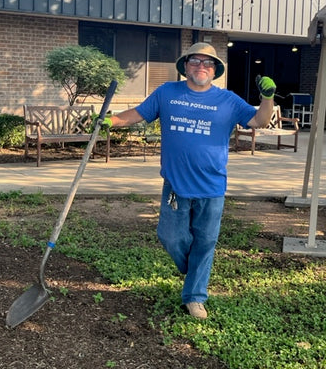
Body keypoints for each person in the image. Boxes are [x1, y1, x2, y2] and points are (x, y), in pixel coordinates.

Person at [106, 42, 276, 319]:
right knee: (170, 236)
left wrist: (268, 97)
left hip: (212, 187)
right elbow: (136, 114)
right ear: (185, 67)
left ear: (215, 70)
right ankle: (194, 267)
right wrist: (108, 122)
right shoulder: (167, 93)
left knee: (206, 241)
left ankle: (195, 296)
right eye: (195, 61)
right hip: (176, 185)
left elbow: (260, 122)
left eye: (207, 63)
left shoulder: (228, 100)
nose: (201, 67)